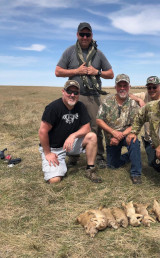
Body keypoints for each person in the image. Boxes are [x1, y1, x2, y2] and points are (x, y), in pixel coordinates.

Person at [55, 22, 114, 168]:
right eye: (82, 34)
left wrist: (97, 72)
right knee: (73, 125)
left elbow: (111, 74)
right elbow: (58, 71)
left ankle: (99, 155)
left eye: (88, 34)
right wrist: (76, 71)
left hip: (93, 96)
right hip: (73, 97)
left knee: (95, 126)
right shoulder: (70, 51)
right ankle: (73, 156)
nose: (85, 37)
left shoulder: (99, 54)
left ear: (92, 36)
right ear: (77, 35)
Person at [38, 80, 102, 184]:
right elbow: (42, 132)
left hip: (71, 144)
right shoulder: (53, 108)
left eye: (76, 93)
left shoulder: (80, 106)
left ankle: (90, 169)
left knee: (92, 136)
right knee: (55, 180)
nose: (72, 95)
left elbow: (87, 128)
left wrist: (73, 135)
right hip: (54, 148)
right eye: (69, 91)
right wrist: (48, 153)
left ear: (79, 94)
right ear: (63, 91)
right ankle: (59, 164)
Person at [96, 74, 142, 184]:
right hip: (111, 139)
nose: (122, 88)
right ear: (115, 87)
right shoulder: (107, 101)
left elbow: (136, 123)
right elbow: (98, 120)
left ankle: (136, 174)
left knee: (134, 142)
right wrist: (113, 132)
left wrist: (120, 135)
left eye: (125, 85)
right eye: (119, 85)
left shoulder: (132, 103)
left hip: (126, 135)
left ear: (129, 87)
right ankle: (129, 157)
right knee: (112, 165)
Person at [130, 76, 160, 165]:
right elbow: (129, 94)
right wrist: (139, 99)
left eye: (154, 87)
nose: (151, 90)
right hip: (149, 140)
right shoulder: (145, 95)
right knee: (153, 164)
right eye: (149, 87)